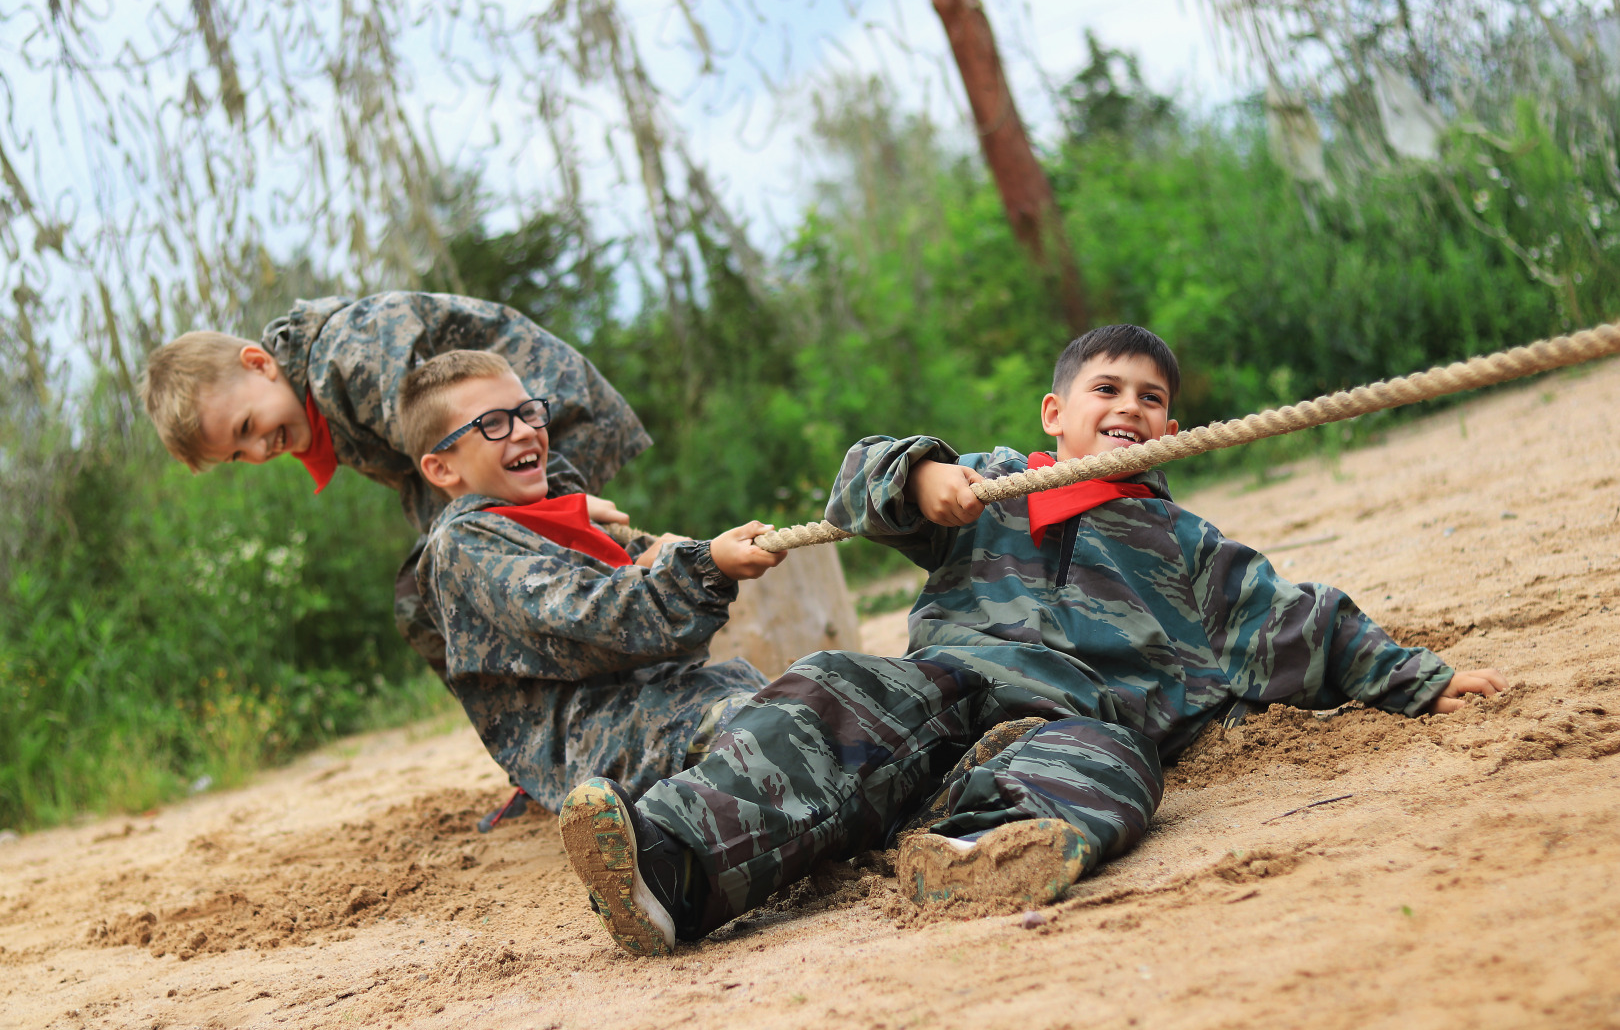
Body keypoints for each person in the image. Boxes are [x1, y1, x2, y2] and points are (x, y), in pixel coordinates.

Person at [555, 323, 1508, 957]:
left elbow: (1304, 623)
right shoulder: (989, 489)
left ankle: (977, 856)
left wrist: (1423, 678)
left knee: (1114, 767)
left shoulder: (1187, 548)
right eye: (1108, 389)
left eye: (1150, 398)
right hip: (940, 693)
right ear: (1058, 413)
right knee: (830, 688)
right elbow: (858, 483)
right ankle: (672, 865)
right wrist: (921, 475)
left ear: (1171, 427)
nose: (1129, 408)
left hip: (1065, 723)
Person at [139, 292, 652, 675]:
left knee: (440, 586)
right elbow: (432, 488)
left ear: (259, 364)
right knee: (429, 590)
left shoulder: (347, 359)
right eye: (237, 455)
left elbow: (466, 436)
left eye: (247, 427)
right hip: (501, 447)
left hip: (540, 415)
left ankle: (623, 678)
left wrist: (565, 503)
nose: (257, 451)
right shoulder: (320, 408)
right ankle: (553, 722)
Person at [400, 349, 788, 813]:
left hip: (671, 706)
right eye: (494, 424)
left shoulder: (544, 513)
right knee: (777, 744)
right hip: (608, 744)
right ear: (442, 468)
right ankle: (664, 855)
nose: (525, 430)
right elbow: (596, 618)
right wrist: (706, 566)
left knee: (814, 707)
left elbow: (630, 574)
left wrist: (661, 559)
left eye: (527, 412)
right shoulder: (465, 546)